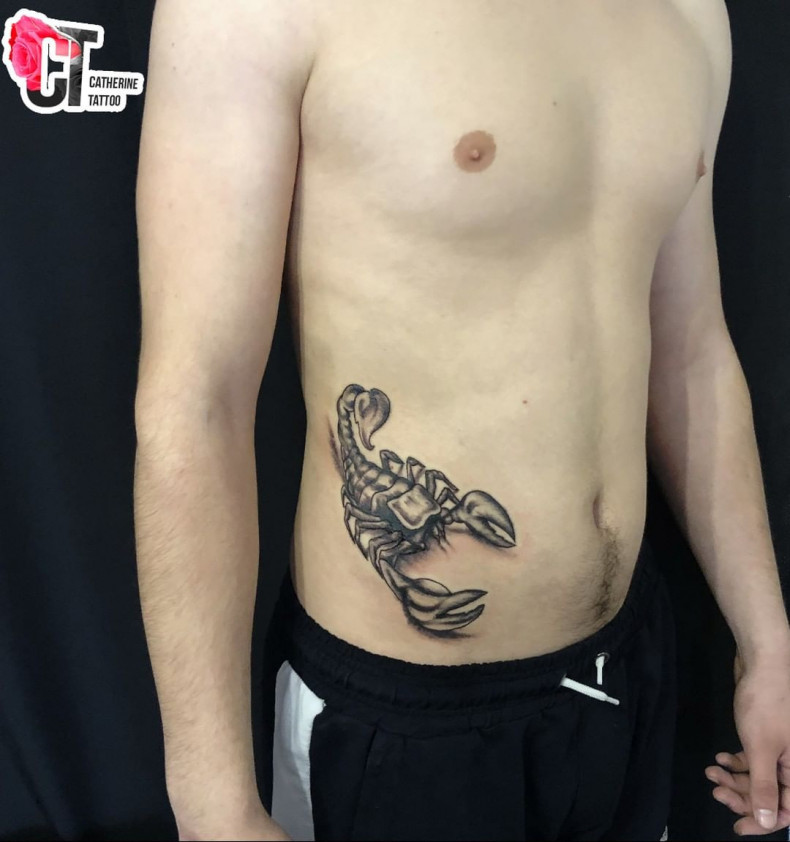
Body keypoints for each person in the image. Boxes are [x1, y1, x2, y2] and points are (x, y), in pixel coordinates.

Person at [132, 1, 790, 839]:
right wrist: (213, 807)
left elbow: (691, 351)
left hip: (625, 670)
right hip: (402, 719)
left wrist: (768, 643)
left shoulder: (690, 10)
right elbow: (199, 399)